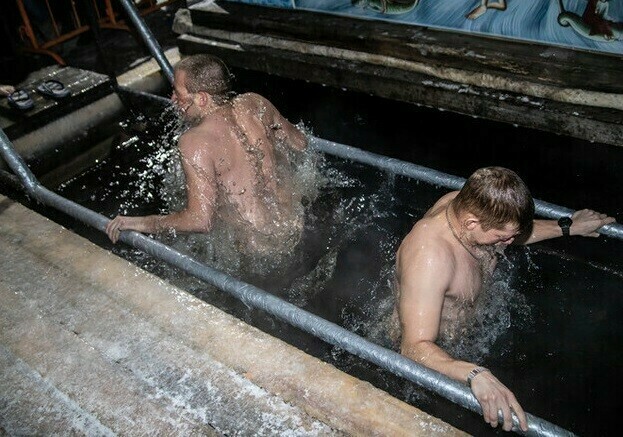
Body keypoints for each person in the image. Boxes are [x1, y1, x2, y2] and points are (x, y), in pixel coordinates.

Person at [394, 166, 615, 432]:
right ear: (472, 223)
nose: (510, 243)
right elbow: (413, 347)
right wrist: (475, 374)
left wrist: (568, 226)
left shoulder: (468, 205)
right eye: (502, 237)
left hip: (467, 331)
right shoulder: (429, 257)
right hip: (437, 352)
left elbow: (512, 232)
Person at [106, 54, 308, 253]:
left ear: (202, 98)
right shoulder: (255, 103)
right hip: (296, 227)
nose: (173, 99)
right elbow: (300, 143)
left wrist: (141, 223)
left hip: (257, 249)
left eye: (177, 92)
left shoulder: (194, 141)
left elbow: (200, 220)